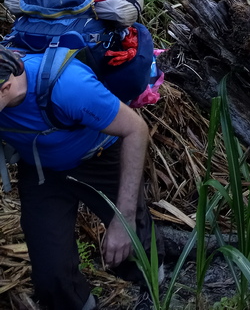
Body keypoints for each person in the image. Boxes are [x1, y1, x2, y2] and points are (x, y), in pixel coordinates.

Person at [0, 45, 153, 310]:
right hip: (41, 169)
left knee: (135, 239)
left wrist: (123, 219)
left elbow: (136, 129)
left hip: (99, 157)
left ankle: (153, 291)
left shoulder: (69, 87)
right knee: (51, 272)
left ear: (4, 88)